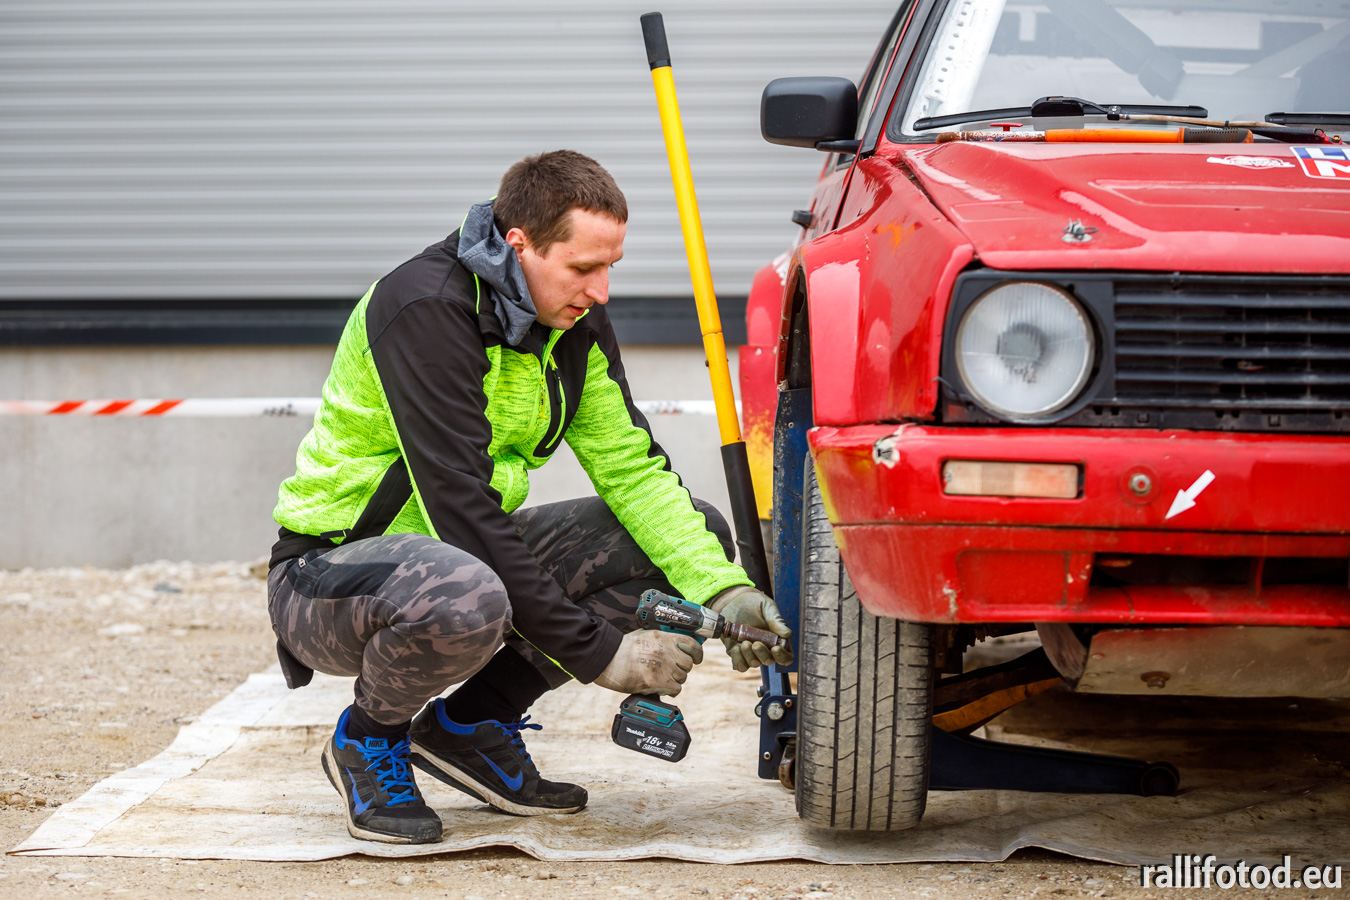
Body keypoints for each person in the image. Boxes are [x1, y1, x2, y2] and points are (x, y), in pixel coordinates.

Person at [266, 150, 793, 845]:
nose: (601, 291)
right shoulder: (426, 309)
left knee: (689, 535)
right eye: (583, 268)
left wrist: (724, 591)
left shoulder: (572, 325)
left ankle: (470, 727)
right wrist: (603, 655)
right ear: (519, 245)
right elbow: (461, 507)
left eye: (611, 267)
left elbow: (632, 471)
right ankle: (368, 738)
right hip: (331, 577)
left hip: (457, 558)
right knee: (467, 592)